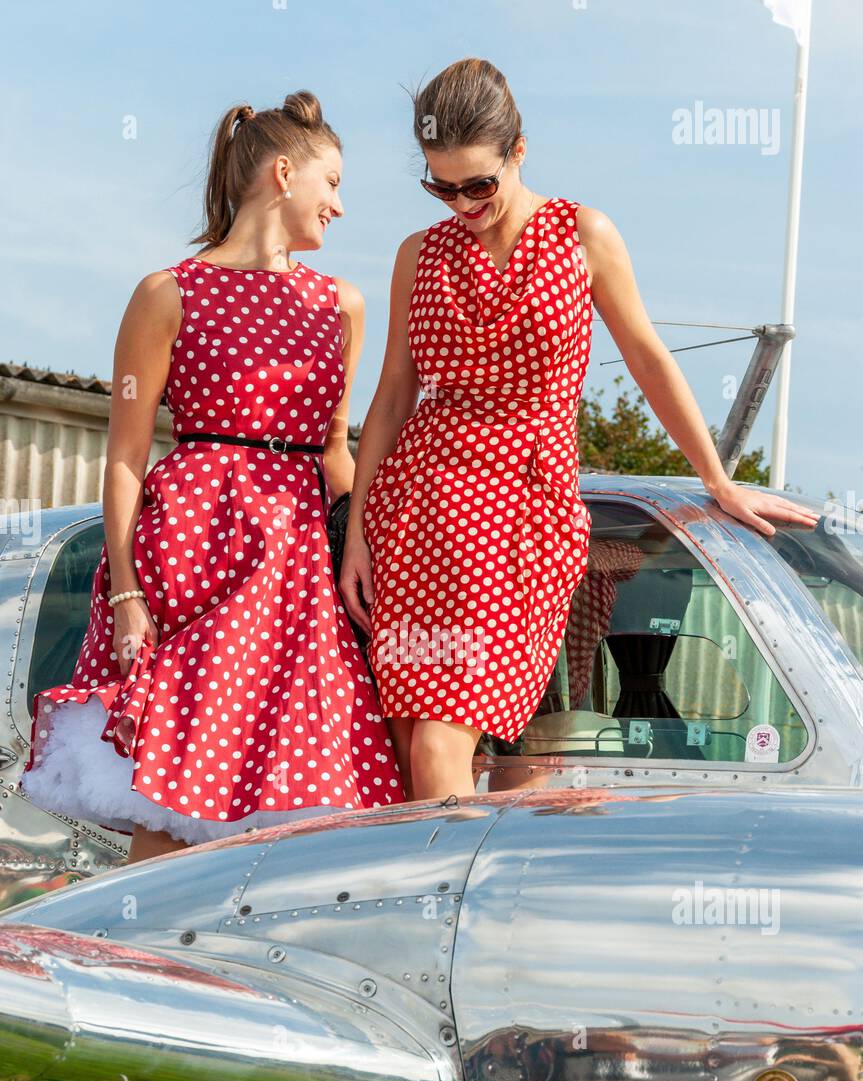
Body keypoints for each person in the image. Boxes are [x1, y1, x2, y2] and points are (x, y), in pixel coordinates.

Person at [340, 57, 818, 802]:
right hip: (417, 514)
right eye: (440, 185)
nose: (460, 203)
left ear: (518, 151)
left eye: (477, 184)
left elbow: (648, 360)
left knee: (439, 740)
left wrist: (715, 480)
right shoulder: (418, 253)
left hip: (517, 516)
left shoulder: (581, 234)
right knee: (414, 751)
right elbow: (394, 395)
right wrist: (358, 534)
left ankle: (454, 903)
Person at [20, 91, 404, 862]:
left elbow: (336, 449)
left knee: (306, 799)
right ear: (285, 174)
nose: (340, 205)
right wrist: (126, 596)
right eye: (332, 183)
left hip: (295, 569)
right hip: (190, 558)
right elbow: (126, 456)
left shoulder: (344, 305)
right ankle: (147, 965)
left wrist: (362, 545)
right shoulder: (166, 293)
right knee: (171, 792)